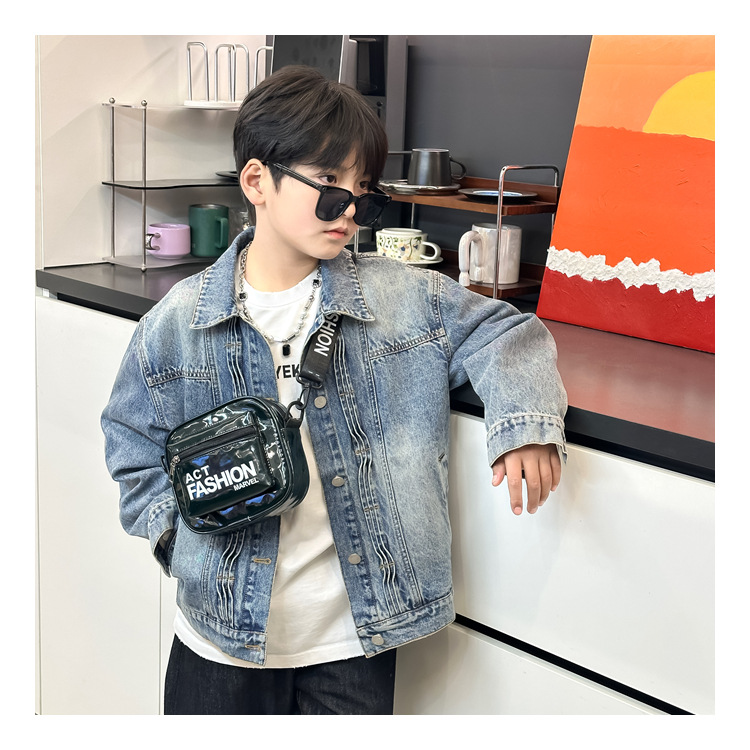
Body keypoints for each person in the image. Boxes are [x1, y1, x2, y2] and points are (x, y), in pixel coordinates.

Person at [101, 64, 567, 715]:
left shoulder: (404, 297)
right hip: (218, 640)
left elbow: (507, 333)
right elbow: (131, 444)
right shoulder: (178, 321)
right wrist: (179, 545)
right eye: (327, 185)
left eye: (362, 192)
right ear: (257, 182)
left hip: (353, 643)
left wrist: (524, 426)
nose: (348, 209)